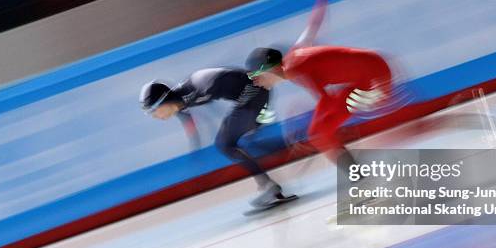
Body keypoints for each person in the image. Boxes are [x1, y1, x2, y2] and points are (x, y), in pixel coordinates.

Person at [139, 67, 290, 208]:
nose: (155, 117)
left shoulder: (196, 85)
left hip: (255, 90)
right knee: (243, 144)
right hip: (252, 95)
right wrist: (196, 157)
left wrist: (261, 81)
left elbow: (234, 78)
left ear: (163, 101)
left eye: (153, 111)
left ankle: (268, 185)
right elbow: (193, 130)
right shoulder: (179, 106)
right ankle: (286, 153)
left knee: (224, 144)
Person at [245, 46, 393, 175]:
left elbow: (328, 100)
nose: (256, 82)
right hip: (372, 70)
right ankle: (360, 178)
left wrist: (313, 128)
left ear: (269, 70)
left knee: (319, 134)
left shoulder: (293, 69)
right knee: (318, 134)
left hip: (375, 80)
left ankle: (362, 180)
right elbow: (328, 100)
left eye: (255, 76)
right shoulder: (291, 60)